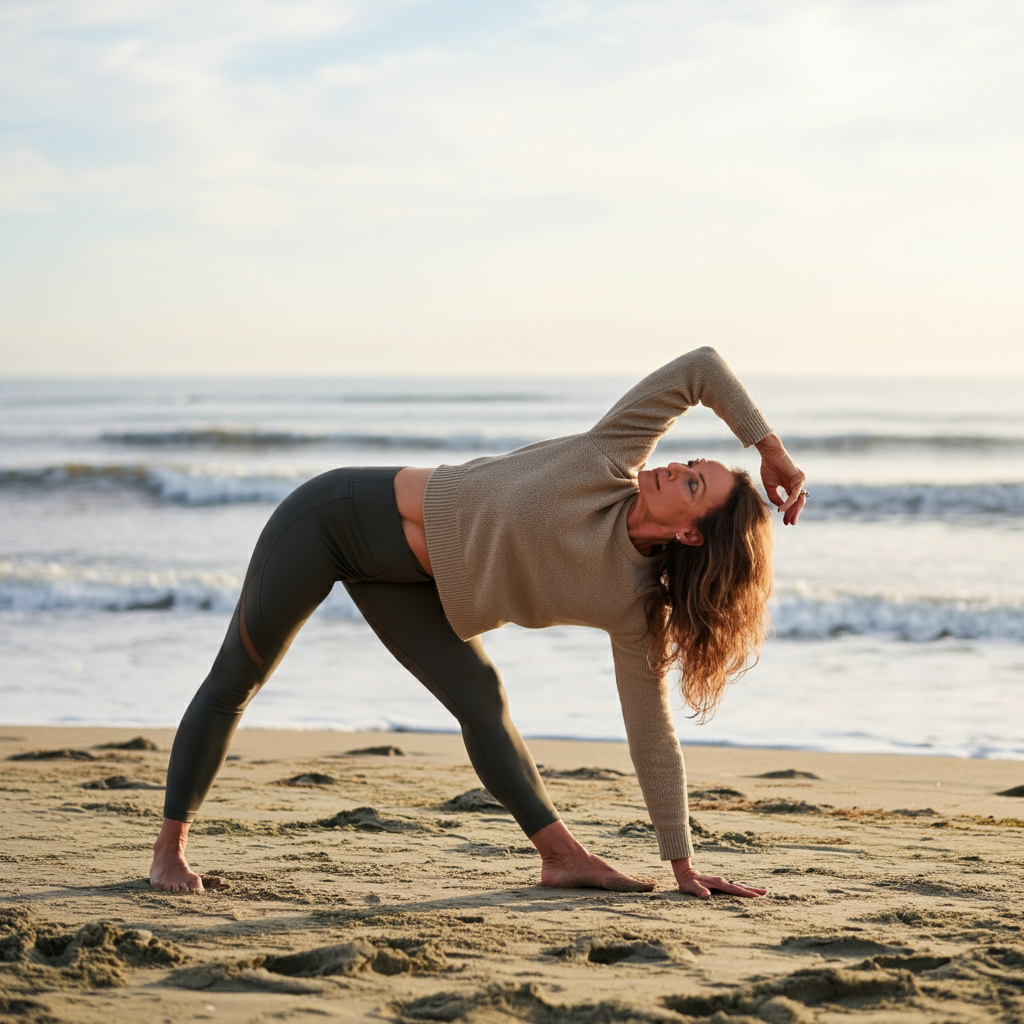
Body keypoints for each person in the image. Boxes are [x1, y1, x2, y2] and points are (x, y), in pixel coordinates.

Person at [149, 346, 806, 899]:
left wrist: (681, 862)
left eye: (693, 484)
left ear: (692, 537)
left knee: (480, 699)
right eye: (691, 464)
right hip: (330, 519)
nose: (674, 468)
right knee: (239, 675)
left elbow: (651, 730)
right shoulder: (610, 458)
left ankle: (561, 857)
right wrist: (767, 448)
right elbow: (699, 368)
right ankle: (168, 850)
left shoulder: (632, 605)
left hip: (408, 583)